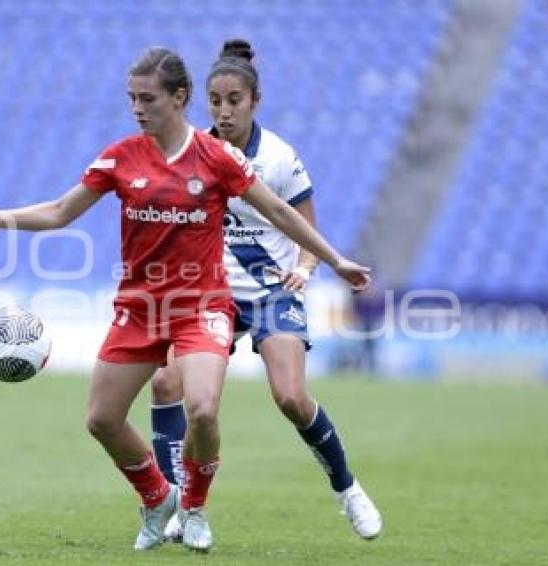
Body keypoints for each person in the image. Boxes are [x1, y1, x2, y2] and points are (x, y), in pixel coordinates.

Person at [0, 46, 371, 553]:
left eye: (148, 98)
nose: (138, 108)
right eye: (132, 99)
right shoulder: (120, 156)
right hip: (140, 308)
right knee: (101, 419)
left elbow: (279, 210)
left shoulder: (216, 157)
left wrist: (332, 261)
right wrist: (3, 218)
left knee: (203, 409)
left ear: (179, 98)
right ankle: (157, 497)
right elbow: (59, 211)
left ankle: (195, 508)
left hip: (202, 305)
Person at [149, 39, 383, 542]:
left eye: (234, 100)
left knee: (292, 398)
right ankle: (175, 502)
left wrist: (308, 264)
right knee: (167, 384)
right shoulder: (192, 152)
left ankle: (347, 489)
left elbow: (302, 224)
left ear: (255, 101)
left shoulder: (278, 157)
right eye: (215, 101)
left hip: (272, 293)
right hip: (210, 297)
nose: (224, 110)